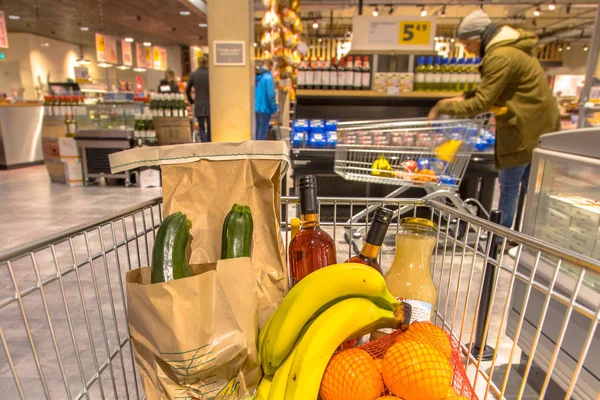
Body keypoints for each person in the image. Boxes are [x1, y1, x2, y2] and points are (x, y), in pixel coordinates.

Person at [428, 9, 560, 229]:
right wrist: (460, 98)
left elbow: (482, 103)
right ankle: (533, 236)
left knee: (510, 185)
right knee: (534, 188)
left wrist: (443, 106)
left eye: (467, 44)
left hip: (523, 129)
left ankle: (500, 239)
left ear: (477, 38)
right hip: (537, 126)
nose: (467, 50)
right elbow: (492, 92)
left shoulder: (499, 56)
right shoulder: (509, 51)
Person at [186, 56, 211, 142]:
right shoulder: (210, 74)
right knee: (210, 127)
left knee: (201, 128)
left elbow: (187, 90)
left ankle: (204, 144)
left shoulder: (193, 74)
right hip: (210, 104)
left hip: (199, 104)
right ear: (207, 63)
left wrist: (191, 101)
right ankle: (210, 144)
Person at [255, 59, 278, 140]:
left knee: (257, 129)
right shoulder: (268, 77)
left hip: (255, 107)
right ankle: (258, 150)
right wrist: (274, 109)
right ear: (271, 66)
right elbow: (270, 95)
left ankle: (254, 149)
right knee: (263, 130)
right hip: (265, 108)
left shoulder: (256, 75)